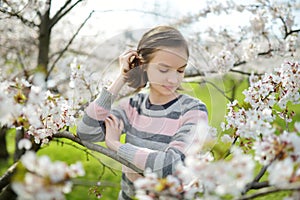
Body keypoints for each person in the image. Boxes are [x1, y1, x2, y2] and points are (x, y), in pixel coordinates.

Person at [77, 25, 208, 200]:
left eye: (180, 70)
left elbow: (172, 166)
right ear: (144, 66)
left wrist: (117, 146)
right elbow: (87, 132)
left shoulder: (193, 110)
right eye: (164, 69)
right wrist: (121, 78)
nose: (173, 79)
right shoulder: (132, 107)